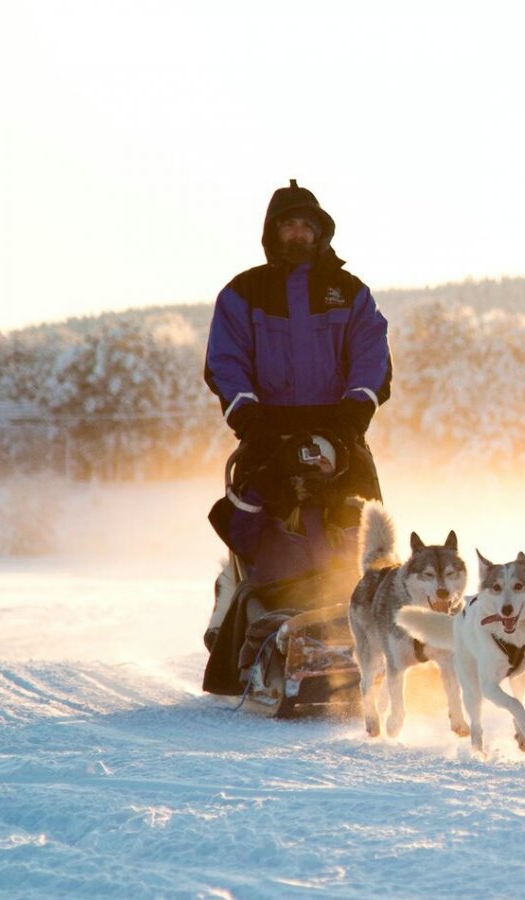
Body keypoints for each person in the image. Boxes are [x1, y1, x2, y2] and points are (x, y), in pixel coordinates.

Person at [201, 180, 392, 694]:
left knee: (365, 536)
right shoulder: (243, 293)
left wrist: (347, 425)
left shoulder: (350, 294)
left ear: (322, 232)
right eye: (289, 224)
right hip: (267, 436)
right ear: (272, 232)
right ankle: (266, 625)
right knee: (266, 536)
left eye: (307, 225)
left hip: (341, 434)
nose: (298, 233)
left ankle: (377, 626)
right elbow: (225, 362)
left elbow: (373, 358)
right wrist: (255, 426)